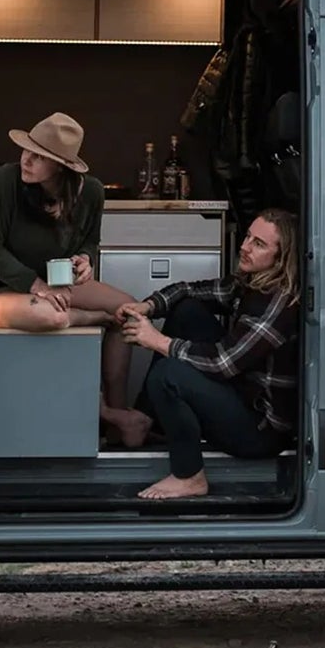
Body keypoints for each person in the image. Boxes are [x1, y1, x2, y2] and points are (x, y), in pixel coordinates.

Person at [0, 112, 152, 446]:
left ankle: (116, 421)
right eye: (26, 149)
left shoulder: (90, 192)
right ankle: (106, 402)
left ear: (61, 165)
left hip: (56, 285)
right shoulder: (7, 180)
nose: (26, 159)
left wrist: (87, 260)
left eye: (39, 156)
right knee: (51, 315)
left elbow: (90, 241)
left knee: (130, 310)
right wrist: (38, 286)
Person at [118, 208, 299, 500]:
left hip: (259, 431)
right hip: (241, 393)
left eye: (259, 244)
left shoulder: (278, 304)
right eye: (248, 237)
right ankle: (142, 418)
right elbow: (189, 291)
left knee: (169, 375)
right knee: (186, 310)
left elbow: (222, 363)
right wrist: (149, 306)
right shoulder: (251, 283)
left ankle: (189, 476)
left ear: (281, 259)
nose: (245, 247)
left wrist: (157, 340)